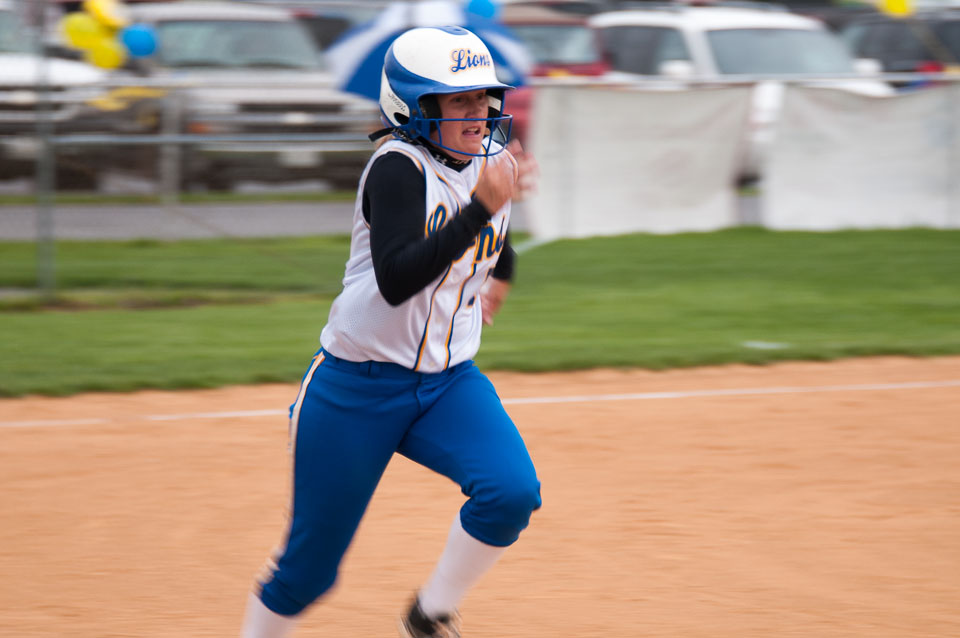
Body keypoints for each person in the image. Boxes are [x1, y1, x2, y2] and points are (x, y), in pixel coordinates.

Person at [240, 25, 541, 638]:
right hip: (357, 387)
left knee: (510, 493)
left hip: (448, 384)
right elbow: (399, 276)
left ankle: (429, 616)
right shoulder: (397, 167)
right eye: (458, 101)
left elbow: (493, 233)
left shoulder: (491, 162)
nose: (477, 113)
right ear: (414, 107)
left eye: (482, 97)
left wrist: (502, 271)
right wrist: (481, 208)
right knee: (309, 572)